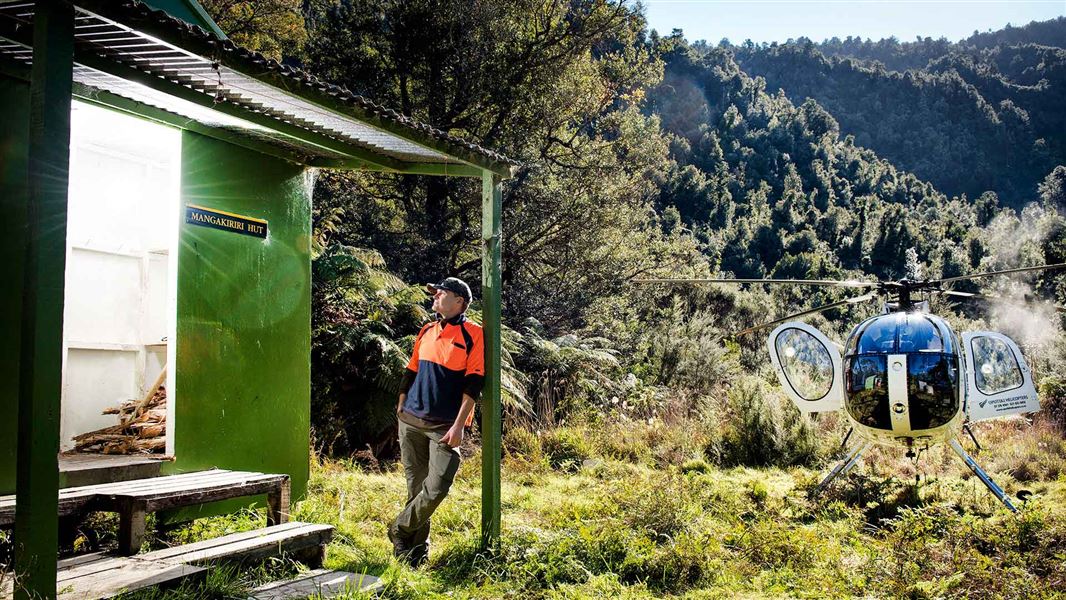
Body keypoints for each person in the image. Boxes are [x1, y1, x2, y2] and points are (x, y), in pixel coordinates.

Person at [388, 277, 484, 567]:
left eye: (442, 293)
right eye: (435, 292)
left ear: (460, 302)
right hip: (410, 421)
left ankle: (399, 528)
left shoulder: (473, 334)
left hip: (444, 427)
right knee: (415, 490)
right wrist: (402, 400)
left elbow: (474, 382)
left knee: (437, 487)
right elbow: (411, 368)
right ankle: (413, 556)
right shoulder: (427, 330)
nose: (435, 296)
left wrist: (459, 426)